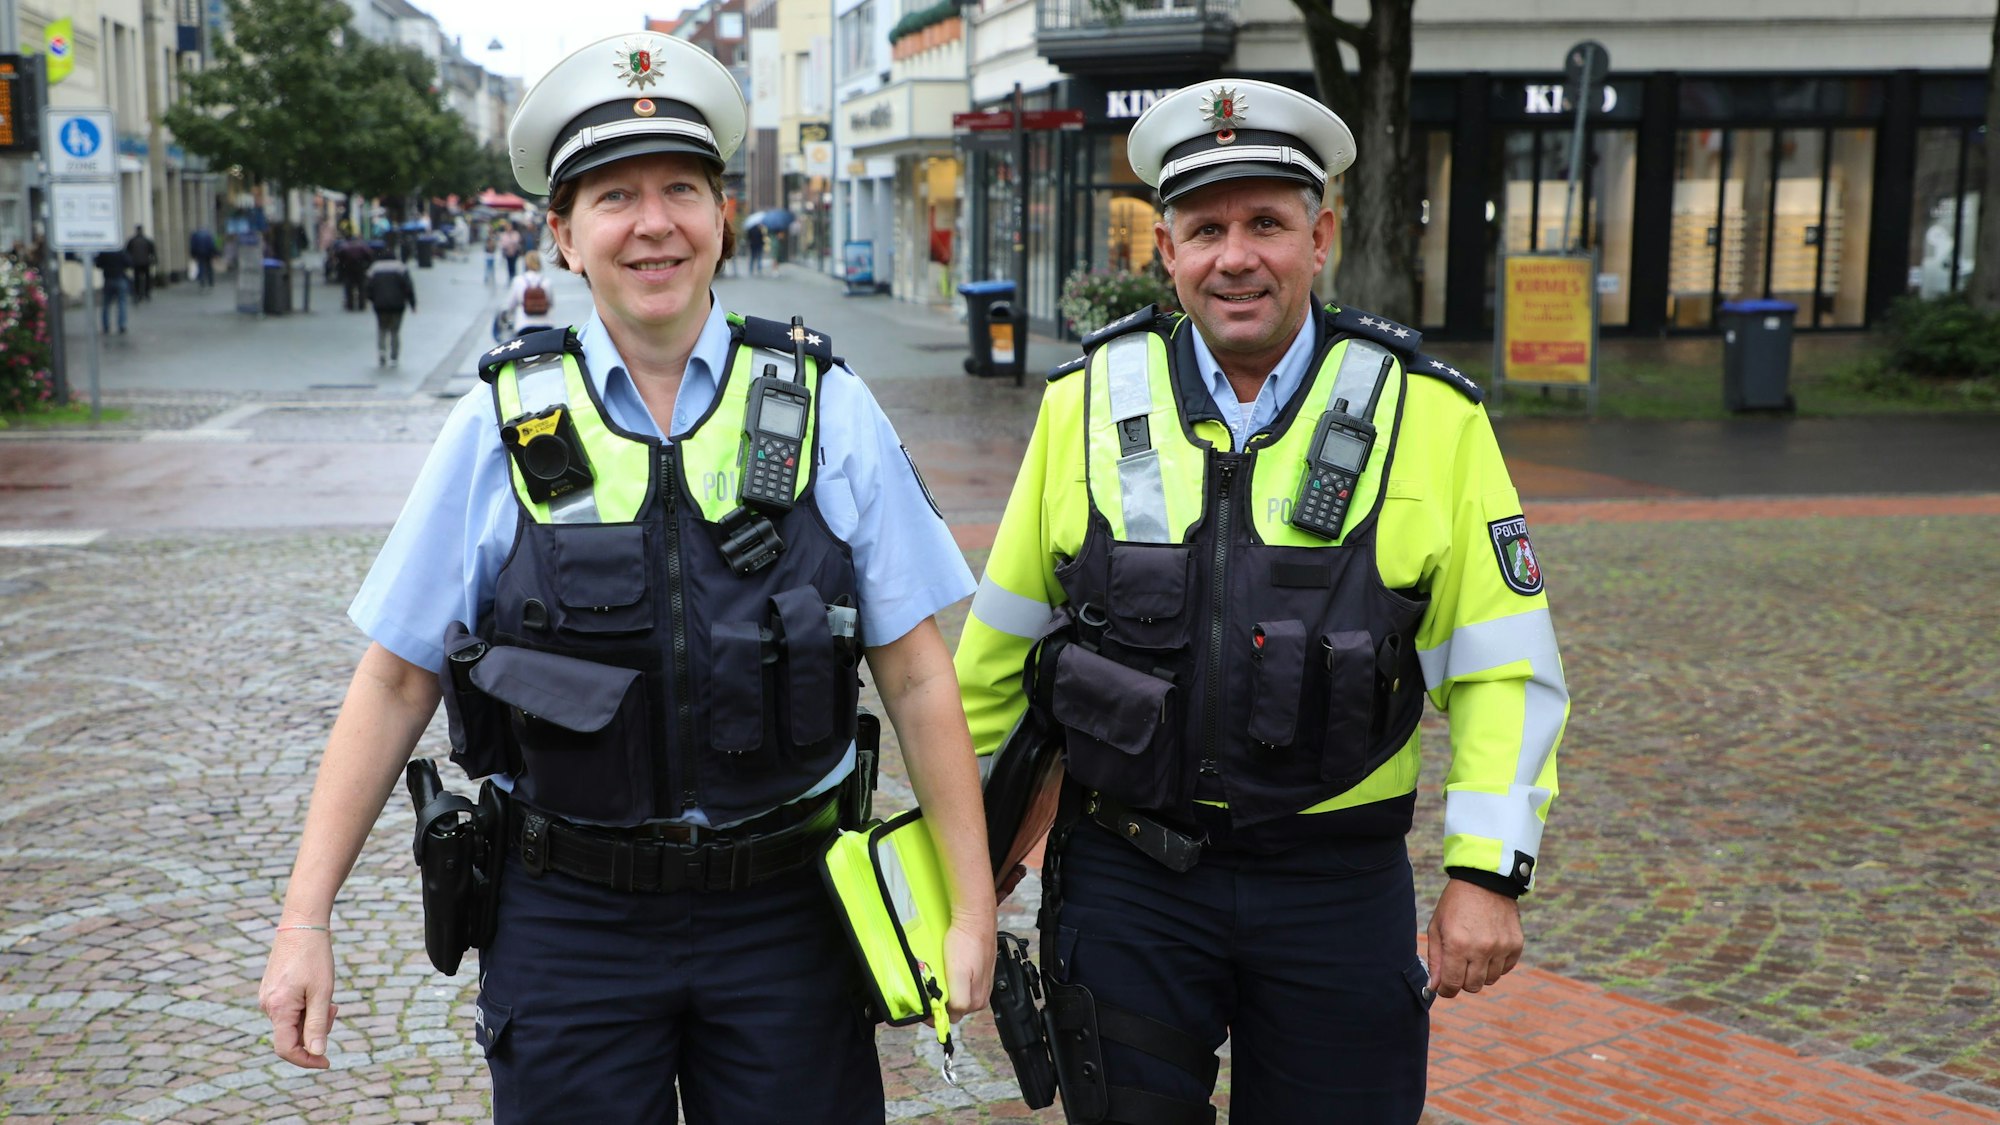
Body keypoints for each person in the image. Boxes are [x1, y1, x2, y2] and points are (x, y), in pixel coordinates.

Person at [257, 30, 996, 1124]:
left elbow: (917, 672)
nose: (654, 223)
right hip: (569, 924)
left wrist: (971, 904)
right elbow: (396, 677)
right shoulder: (500, 422)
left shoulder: (826, 407)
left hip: (788, 918)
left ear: (722, 215)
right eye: (615, 197)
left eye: (681, 190)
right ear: (563, 235)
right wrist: (303, 919)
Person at [953, 79, 1570, 1125]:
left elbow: (1502, 666)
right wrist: (963, 860)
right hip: (1127, 882)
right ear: (1165, 250)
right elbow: (996, 658)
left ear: (1319, 237)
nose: (1234, 257)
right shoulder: (1083, 403)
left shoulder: (1430, 417)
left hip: (1335, 887)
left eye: (1266, 225)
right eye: (1205, 230)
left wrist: (1487, 871)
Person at [363, 246, 415, 366]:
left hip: (380, 305)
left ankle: (382, 351)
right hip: (398, 305)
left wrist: (371, 299)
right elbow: (408, 287)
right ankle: (394, 356)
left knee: (382, 329)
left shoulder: (374, 268)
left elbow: (368, 287)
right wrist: (412, 303)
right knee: (395, 331)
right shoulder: (401, 267)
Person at [503, 249, 556, 337]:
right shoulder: (546, 281)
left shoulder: (518, 281)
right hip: (546, 324)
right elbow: (551, 303)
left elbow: (511, 304)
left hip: (524, 324)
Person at [93, 247, 132, 334]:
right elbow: (129, 263)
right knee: (122, 303)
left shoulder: (104, 251)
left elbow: (98, 264)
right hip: (120, 278)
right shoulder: (120, 250)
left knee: (106, 304)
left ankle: (105, 325)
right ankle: (122, 325)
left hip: (108, 279)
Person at [126, 226, 157, 302]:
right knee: (147, 278)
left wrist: (129, 262)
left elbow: (127, 252)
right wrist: (154, 260)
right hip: (146, 262)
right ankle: (146, 293)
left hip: (136, 263)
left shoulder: (132, 240)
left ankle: (137, 294)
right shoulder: (147, 240)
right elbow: (152, 252)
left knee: (136, 278)